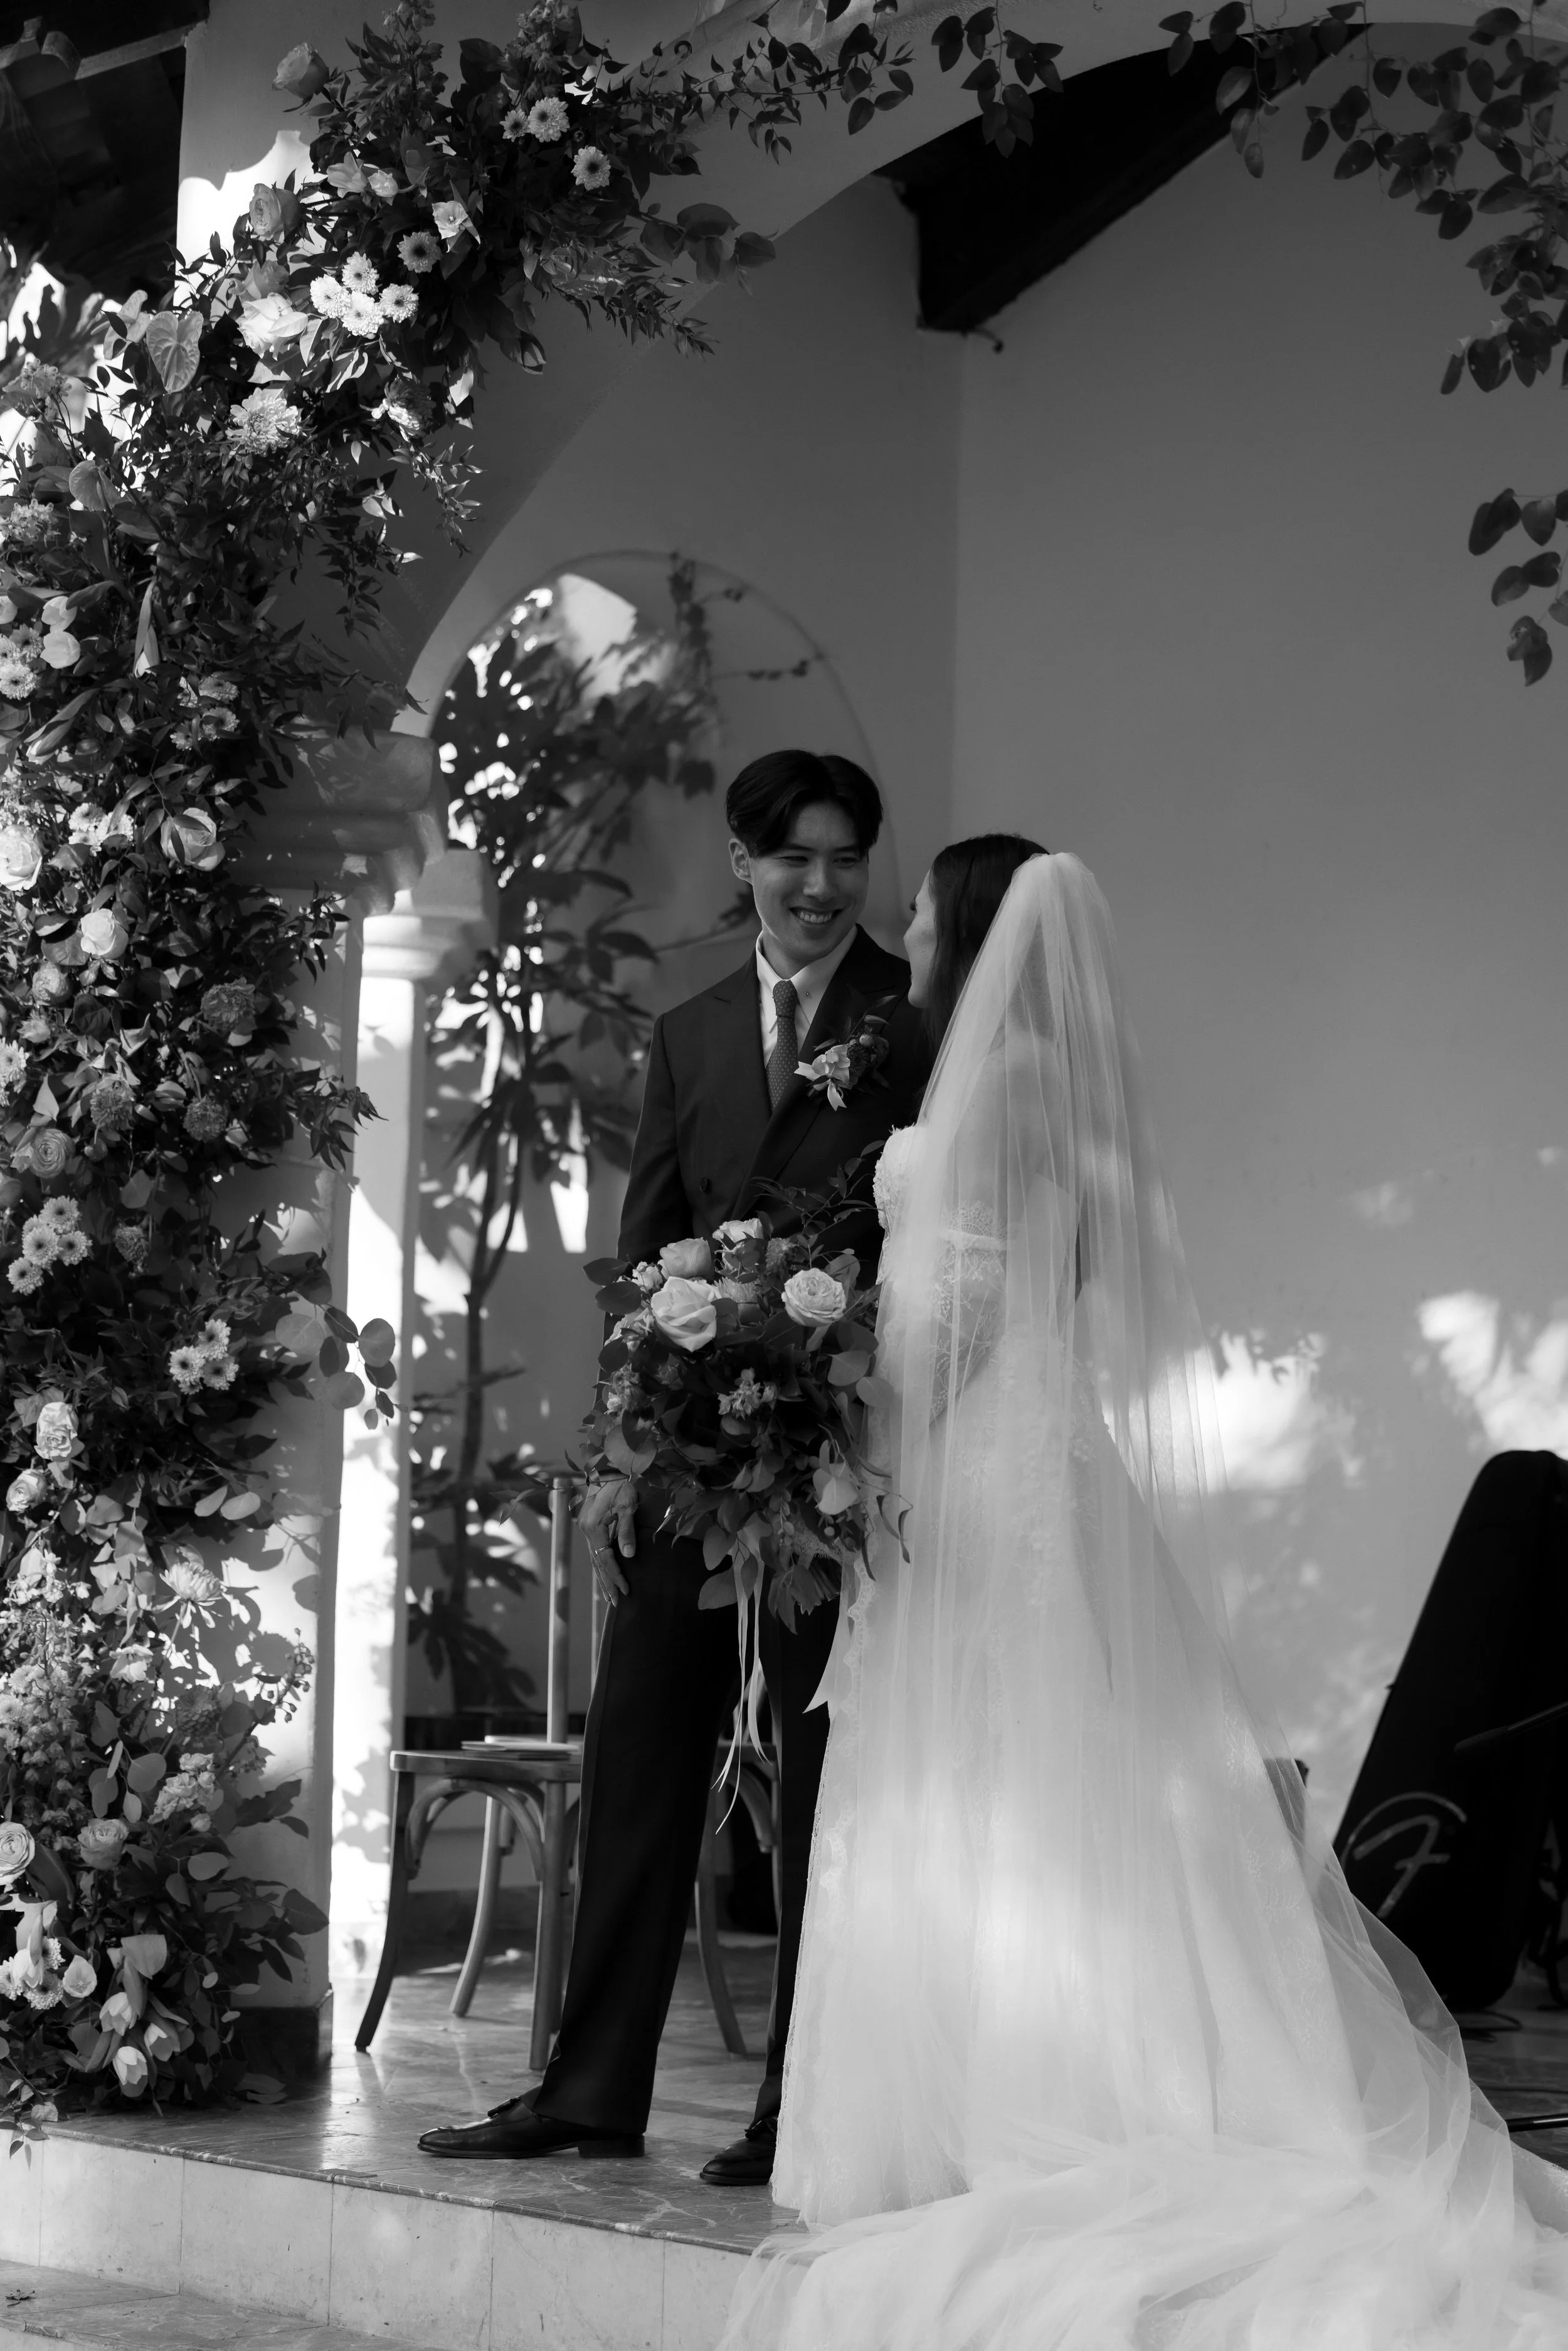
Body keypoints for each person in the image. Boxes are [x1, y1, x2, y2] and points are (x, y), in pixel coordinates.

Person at [721, 842, 1568, 2345]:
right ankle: (981, 2087)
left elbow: (961, 1310)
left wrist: (823, 1427)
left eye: (918, 900)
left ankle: (1024, 2099)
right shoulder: (1039, 1078)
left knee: (996, 1775)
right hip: (1007, 1460)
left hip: (970, 1463)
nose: (899, 919)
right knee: (1025, 1773)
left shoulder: (1000, 1082)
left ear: (967, 922)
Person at [419, 748, 930, 2182]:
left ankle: (800, 2107)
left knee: (828, 1787)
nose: (820, 886)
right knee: (637, 1758)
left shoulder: (916, 1021)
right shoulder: (689, 1027)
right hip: (693, 1471)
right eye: (793, 859)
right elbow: (644, 1259)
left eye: (844, 859)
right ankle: (586, 2087)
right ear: (745, 861)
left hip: (842, 1466)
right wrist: (619, 1456)